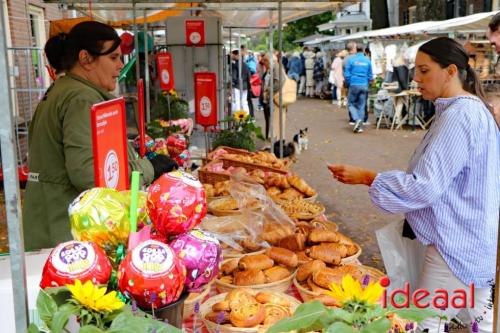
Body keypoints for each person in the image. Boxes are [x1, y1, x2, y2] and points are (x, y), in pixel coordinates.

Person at [328, 37, 500, 333]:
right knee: (481, 321)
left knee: (424, 323)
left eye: (423, 71)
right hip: (471, 238)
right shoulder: (465, 109)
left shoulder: (460, 115)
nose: (415, 79)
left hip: (455, 244)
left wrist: (369, 177)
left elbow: (426, 187)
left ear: (450, 72)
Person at [23, 21, 178, 251]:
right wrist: (148, 168)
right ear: (85, 59)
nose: (120, 66)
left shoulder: (65, 90)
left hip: (52, 225)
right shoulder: (81, 99)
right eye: (113, 58)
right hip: (66, 233)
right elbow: (90, 174)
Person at [344, 45, 372, 133]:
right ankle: (359, 125)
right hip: (364, 84)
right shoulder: (367, 60)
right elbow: (370, 75)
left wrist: (349, 82)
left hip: (354, 83)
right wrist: (367, 82)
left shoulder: (351, 60)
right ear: (363, 50)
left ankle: (356, 119)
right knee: (362, 105)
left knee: (350, 104)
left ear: (356, 50)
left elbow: (347, 73)